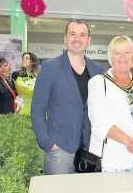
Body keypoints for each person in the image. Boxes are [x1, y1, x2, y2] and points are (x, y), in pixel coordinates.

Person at [31, 19, 103, 175]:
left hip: (90, 149)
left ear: (88, 40)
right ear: (65, 38)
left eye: (82, 35)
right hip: (59, 149)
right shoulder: (50, 67)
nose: (77, 39)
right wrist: (48, 142)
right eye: (72, 34)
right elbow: (37, 108)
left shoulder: (97, 70)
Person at [88, 36, 133, 172]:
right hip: (109, 160)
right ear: (111, 56)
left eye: (126, 52)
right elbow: (99, 122)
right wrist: (129, 142)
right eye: (117, 53)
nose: (122, 57)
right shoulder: (98, 83)